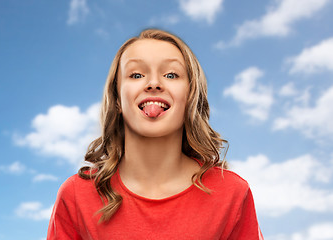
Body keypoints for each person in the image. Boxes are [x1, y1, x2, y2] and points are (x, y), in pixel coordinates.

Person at [47, 29, 263, 240]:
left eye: (171, 74)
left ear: (190, 96)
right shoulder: (76, 195)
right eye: (137, 74)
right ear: (117, 100)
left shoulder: (232, 192)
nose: (153, 84)